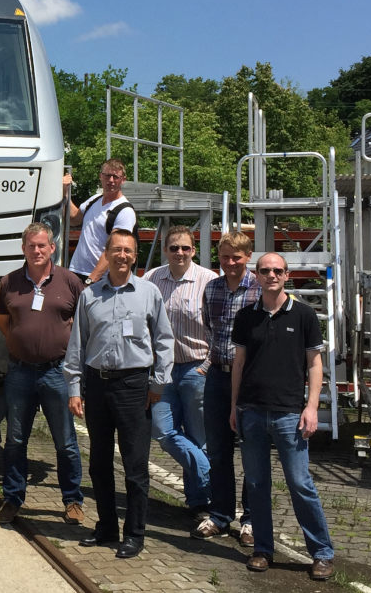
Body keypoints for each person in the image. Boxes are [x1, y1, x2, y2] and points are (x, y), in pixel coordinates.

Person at [64, 229, 174, 559]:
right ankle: (107, 526)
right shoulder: (90, 295)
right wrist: (74, 387)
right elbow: (77, 345)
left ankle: (134, 533)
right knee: (98, 462)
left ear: (135, 256)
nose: (122, 255)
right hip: (97, 385)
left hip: (133, 387)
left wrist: (156, 384)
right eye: (116, 250)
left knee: (135, 465)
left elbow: (165, 341)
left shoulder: (149, 293)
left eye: (127, 250)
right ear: (107, 255)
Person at [230, 253, 334, 580]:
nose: (271, 275)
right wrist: (234, 406)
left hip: (291, 414)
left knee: (300, 484)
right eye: (265, 271)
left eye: (277, 270)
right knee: (257, 484)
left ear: (286, 275)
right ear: (256, 276)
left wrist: (312, 406)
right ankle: (263, 549)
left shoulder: (303, 315)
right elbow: (239, 364)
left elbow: (315, 364)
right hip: (252, 411)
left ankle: (321, 553)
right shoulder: (246, 317)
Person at [0, 222, 84, 526]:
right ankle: (13, 498)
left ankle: (72, 500)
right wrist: (25, 342)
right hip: (20, 372)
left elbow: (82, 323)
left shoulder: (70, 282)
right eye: (31, 245)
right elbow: (4, 322)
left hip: (57, 372)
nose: (36, 250)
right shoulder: (9, 282)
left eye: (41, 245)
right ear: (23, 248)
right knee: (16, 440)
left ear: (52, 248)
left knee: (65, 442)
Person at [143, 226, 217, 517]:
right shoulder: (151, 280)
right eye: (174, 248)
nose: (180, 253)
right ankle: (210, 472)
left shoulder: (208, 281)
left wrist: (207, 366)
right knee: (162, 431)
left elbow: (221, 329)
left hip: (196, 368)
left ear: (194, 250)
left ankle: (201, 503)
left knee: (199, 437)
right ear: (165, 250)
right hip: (164, 371)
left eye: (185, 248)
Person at [194, 231, 259, 544]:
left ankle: (251, 519)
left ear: (248, 257)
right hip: (218, 377)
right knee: (218, 451)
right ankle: (220, 515)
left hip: (250, 381)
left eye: (237, 257)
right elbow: (210, 328)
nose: (230, 263)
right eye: (225, 257)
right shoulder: (213, 288)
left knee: (251, 452)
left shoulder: (259, 289)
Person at [67, 159, 137, 284]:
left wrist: (92, 280)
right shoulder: (94, 199)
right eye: (107, 175)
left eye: (115, 176)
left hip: (101, 279)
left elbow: (116, 248)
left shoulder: (125, 211)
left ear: (123, 180)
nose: (110, 180)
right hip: (76, 271)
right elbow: (74, 219)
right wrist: (65, 192)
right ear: (101, 176)